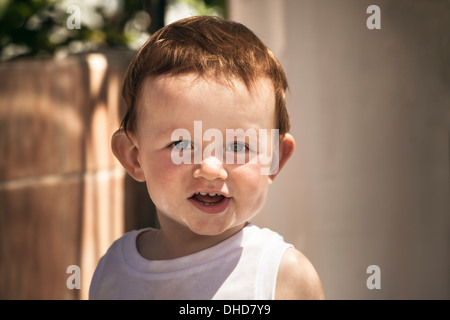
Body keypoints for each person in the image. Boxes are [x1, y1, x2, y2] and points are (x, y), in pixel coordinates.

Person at [89, 15, 324, 300]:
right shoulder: (113, 269)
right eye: (182, 144)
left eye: (238, 147)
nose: (211, 170)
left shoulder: (283, 276)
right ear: (134, 157)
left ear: (275, 159)